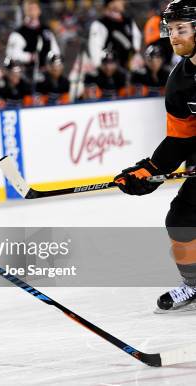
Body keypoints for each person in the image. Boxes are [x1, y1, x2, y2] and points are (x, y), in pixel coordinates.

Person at [113, 0, 196, 313]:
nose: (173, 36)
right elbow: (181, 138)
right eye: (170, 29)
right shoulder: (180, 81)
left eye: (181, 29)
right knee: (181, 220)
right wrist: (150, 170)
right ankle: (194, 284)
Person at [5, 0, 61, 82]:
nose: (33, 11)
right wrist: (30, 57)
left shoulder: (46, 31)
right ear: (25, 11)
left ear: (39, 10)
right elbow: (12, 54)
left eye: (35, 8)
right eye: (30, 9)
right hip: (26, 75)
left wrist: (50, 62)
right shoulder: (18, 33)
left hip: (46, 73)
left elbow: (55, 51)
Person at [88, 0, 142, 69]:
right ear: (111, 3)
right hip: (110, 69)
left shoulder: (129, 21)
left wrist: (134, 58)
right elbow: (95, 49)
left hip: (128, 68)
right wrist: (101, 69)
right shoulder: (101, 24)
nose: (123, 2)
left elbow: (137, 40)